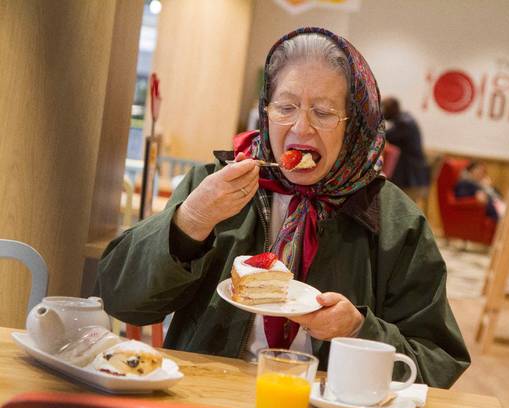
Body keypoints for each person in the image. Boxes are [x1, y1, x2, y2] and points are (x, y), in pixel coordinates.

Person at [95, 27, 470, 388]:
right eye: (285, 107)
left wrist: (359, 331)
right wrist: (191, 221)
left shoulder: (395, 221)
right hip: (210, 397)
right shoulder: (215, 186)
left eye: (323, 112)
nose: (301, 128)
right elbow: (121, 299)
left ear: (354, 125)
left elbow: (437, 364)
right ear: (265, 110)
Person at [381, 96, 430, 208]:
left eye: (384, 109)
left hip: (411, 175)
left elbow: (385, 135)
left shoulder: (404, 123)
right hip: (412, 172)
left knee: (402, 206)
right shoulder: (405, 119)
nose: (382, 113)